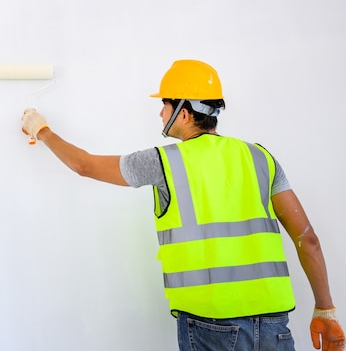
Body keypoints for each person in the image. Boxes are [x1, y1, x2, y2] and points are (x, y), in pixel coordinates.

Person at [20, 59, 345, 351]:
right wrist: (325, 309)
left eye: (164, 105)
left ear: (184, 113)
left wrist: (42, 130)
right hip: (275, 325)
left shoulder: (164, 162)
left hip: (210, 325)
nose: (160, 113)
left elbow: (84, 165)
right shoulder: (260, 157)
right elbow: (309, 239)